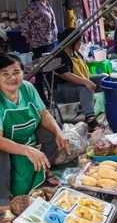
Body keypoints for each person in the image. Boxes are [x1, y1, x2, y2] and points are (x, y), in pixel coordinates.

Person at [0, 53, 70, 210]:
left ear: (23, 73)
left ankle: (45, 170)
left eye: (16, 72)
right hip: (4, 141)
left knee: (52, 129)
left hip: (27, 133)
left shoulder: (27, 88)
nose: (12, 78)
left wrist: (59, 131)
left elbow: (43, 114)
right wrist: (27, 150)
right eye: (5, 74)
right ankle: (3, 200)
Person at [54, 28, 105, 132]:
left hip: (76, 85)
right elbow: (65, 75)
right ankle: (91, 120)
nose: (81, 43)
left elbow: (85, 73)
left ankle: (110, 107)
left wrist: (89, 80)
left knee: (104, 78)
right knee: (85, 88)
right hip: (61, 90)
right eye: (79, 41)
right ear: (72, 42)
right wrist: (86, 82)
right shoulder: (61, 55)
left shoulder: (76, 53)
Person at [18, 0, 58, 107]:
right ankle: (42, 101)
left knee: (50, 71)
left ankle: (50, 97)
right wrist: (29, 38)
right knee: (41, 74)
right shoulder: (34, 6)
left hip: (50, 42)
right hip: (40, 45)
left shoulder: (45, 4)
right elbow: (22, 22)